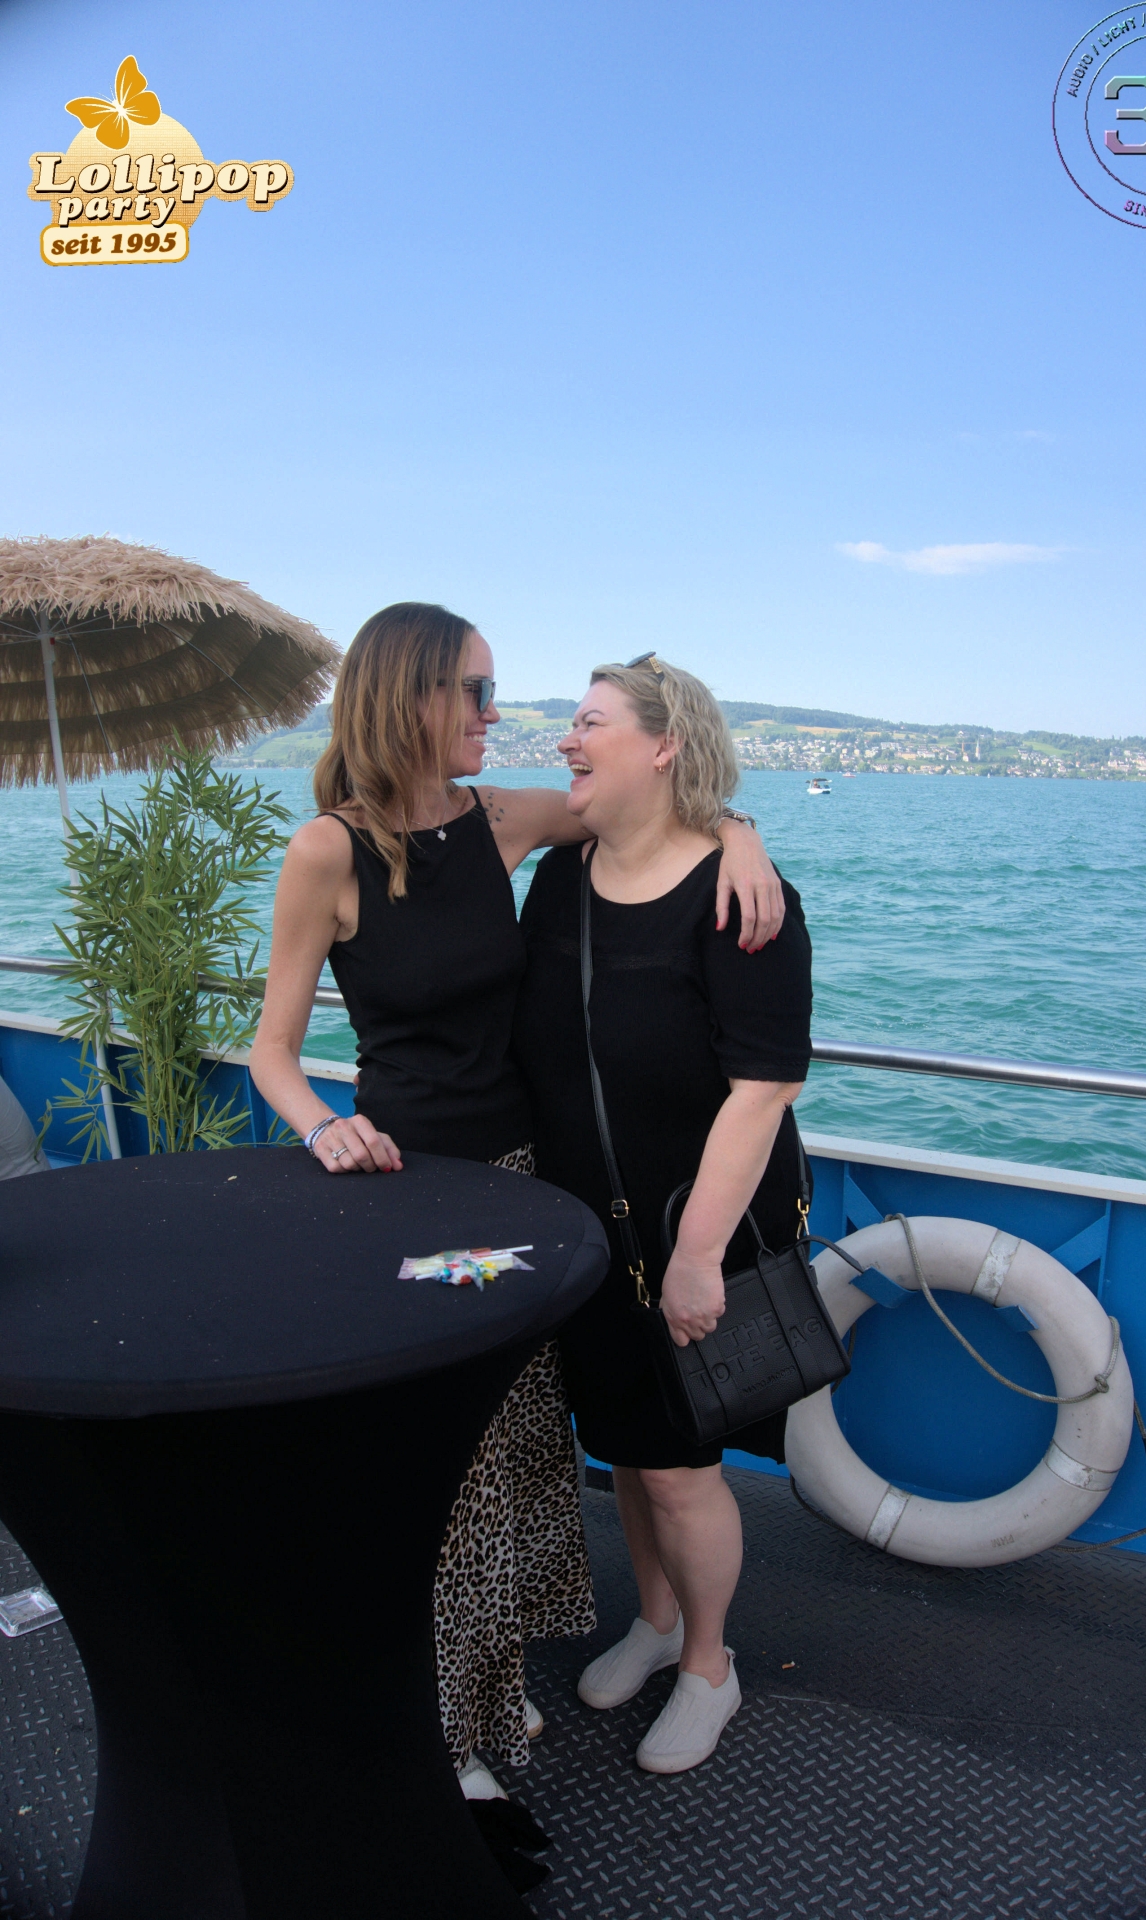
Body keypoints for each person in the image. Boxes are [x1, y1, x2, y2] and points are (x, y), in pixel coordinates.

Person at [247, 604, 785, 1802]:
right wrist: (323, 1126)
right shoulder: (327, 851)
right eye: (477, 693)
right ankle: (456, 1718)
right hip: (412, 1200)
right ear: (409, 697)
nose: (499, 717)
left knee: (527, 1438)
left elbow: (651, 804)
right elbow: (272, 1051)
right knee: (448, 1457)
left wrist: (742, 836)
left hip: (526, 1186)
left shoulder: (501, 821)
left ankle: (498, 1669)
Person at [511, 654, 812, 1775]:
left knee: (683, 1472)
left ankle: (708, 1665)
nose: (566, 738)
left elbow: (763, 1089)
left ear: (663, 744)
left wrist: (694, 1257)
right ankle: (654, 1621)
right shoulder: (561, 877)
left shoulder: (743, 899)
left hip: (697, 1234)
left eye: (589, 721)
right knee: (625, 1453)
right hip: (585, 1226)